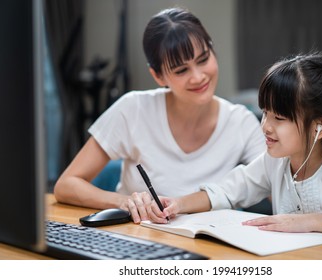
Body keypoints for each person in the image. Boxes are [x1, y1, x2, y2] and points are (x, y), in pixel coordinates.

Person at [53, 7, 265, 223]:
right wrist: (123, 202)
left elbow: (276, 182)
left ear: (212, 50)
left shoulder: (241, 122)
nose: (198, 77)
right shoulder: (133, 109)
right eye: (181, 70)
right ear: (158, 75)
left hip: (211, 247)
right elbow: (67, 184)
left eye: (203, 60)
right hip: (140, 240)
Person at [149, 52, 322, 242]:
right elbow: (227, 190)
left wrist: (308, 222)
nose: (265, 126)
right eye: (265, 113)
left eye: (279, 118)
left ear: (321, 127)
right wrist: (178, 204)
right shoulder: (274, 162)